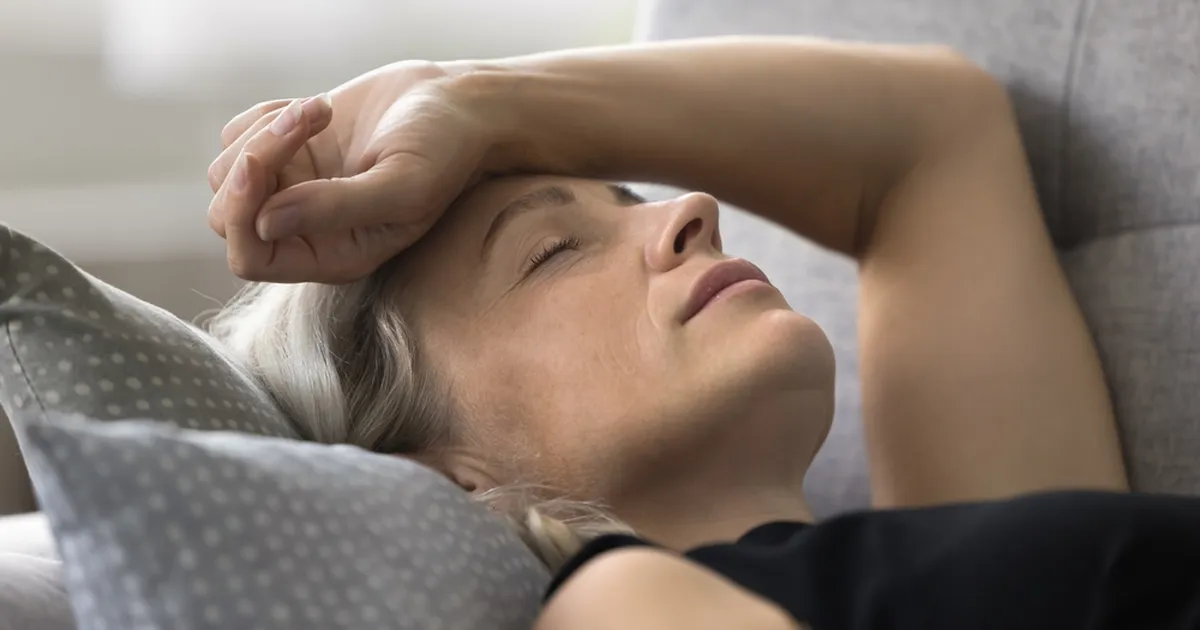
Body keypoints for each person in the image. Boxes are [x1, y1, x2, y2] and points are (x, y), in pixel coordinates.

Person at [204, 37, 1200, 630]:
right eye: (553, 251)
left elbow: (933, 129)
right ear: (446, 478)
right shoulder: (616, 606)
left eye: (629, 200)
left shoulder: (949, 557)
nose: (692, 209)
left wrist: (468, 96)